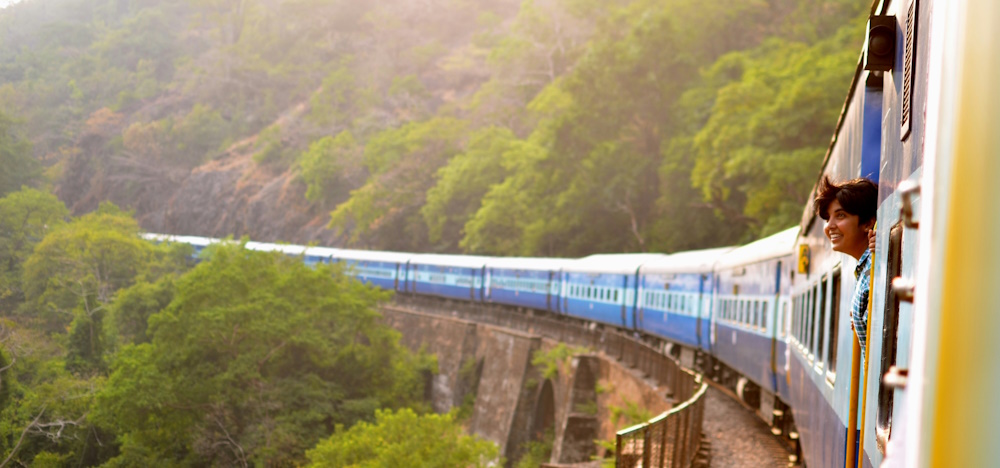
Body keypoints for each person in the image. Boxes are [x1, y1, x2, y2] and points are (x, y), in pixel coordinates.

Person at [814, 176, 878, 356]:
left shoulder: (876, 269)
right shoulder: (865, 269)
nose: (829, 226)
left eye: (840, 215)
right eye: (828, 218)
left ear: (868, 223)